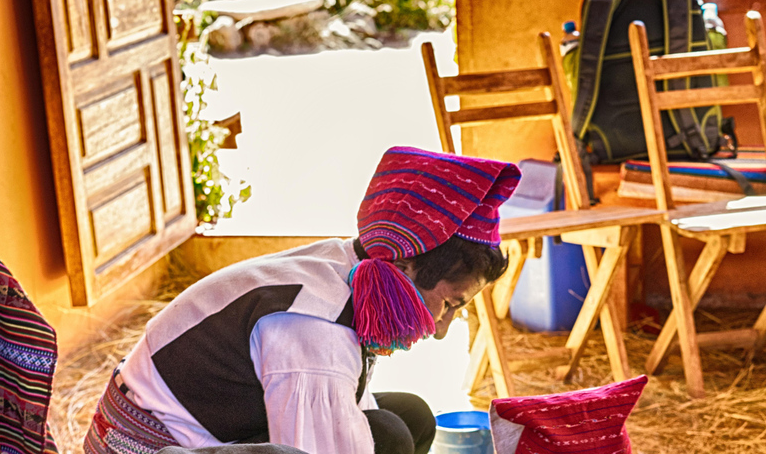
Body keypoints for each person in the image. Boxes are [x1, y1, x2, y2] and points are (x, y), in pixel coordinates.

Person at [84, 146, 521, 454]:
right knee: (384, 436)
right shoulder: (315, 331)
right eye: (450, 304)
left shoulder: (353, 264)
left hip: (216, 424)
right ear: (407, 268)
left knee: (409, 416)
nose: (441, 329)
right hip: (147, 445)